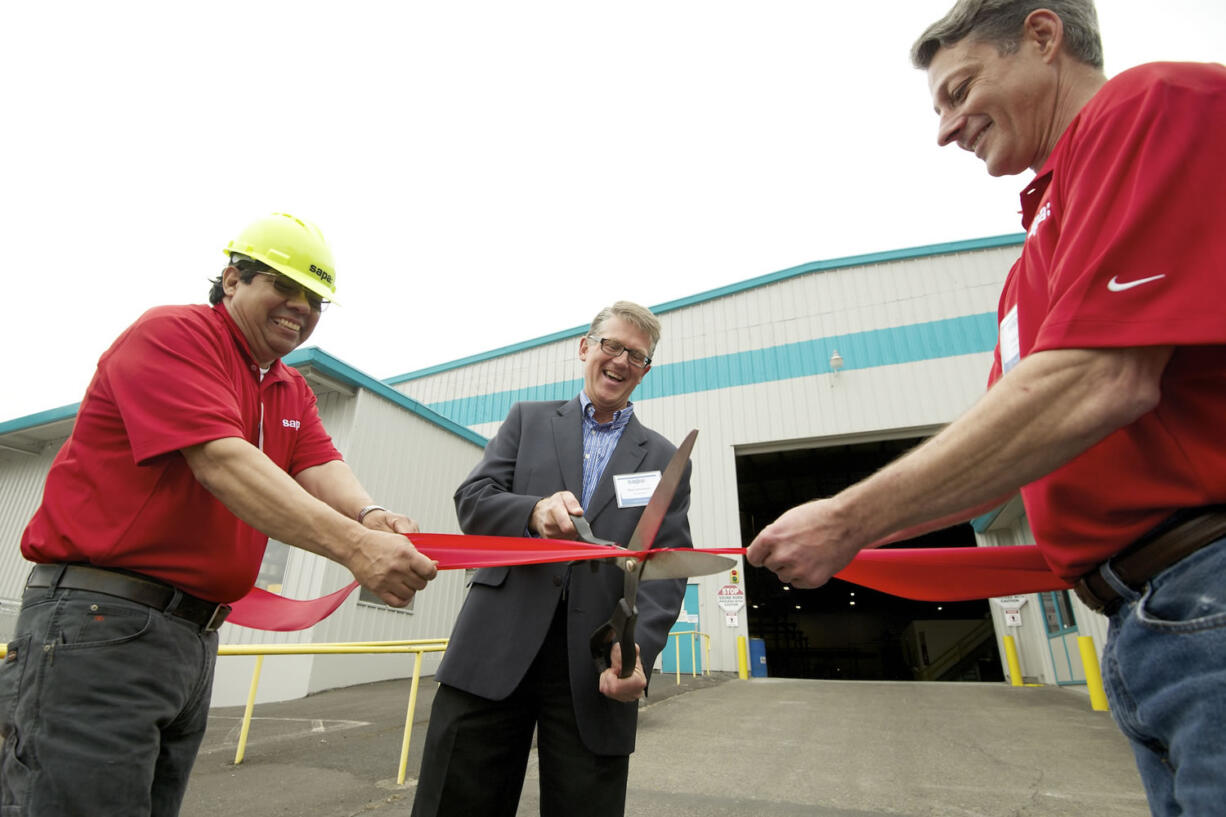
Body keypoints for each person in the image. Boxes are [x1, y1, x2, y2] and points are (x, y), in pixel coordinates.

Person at [747, 2, 1225, 814]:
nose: (944, 130)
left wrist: (847, 520)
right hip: (1147, 629)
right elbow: (1002, 454)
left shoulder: (1151, 106)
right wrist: (856, 534)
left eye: (958, 90)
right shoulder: (1030, 262)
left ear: (1043, 37)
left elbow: (1101, 381)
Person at [0, 213, 438, 817]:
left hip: (192, 636)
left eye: (314, 300)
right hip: (99, 625)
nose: (299, 308)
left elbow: (319, 463)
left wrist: (372, 515)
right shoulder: (174, 334)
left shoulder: (288, 387)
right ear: (232, 278)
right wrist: (356, 549)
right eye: (283, 287)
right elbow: (221, 460)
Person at [411, 301, 692, 817]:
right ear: (585, 347)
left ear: (646, 370)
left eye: (637, 355)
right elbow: (472, 500)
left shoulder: (663, 460)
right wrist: (532, 511)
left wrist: (637, 655)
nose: (621, 360)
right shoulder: (529, 420)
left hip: (596, 662)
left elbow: (667, 568)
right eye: (611, 345)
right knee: (455, 798)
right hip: (496, 644)